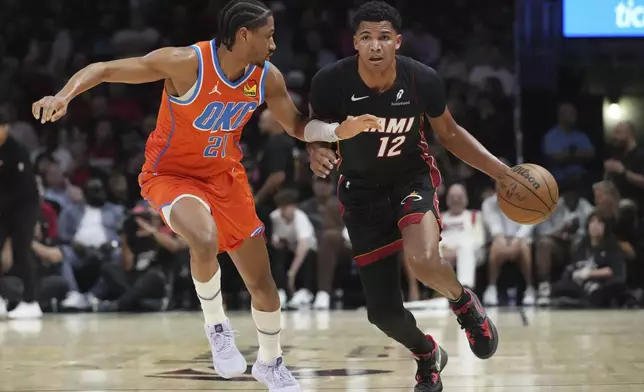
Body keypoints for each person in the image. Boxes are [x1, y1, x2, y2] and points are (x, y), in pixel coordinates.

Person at [31, 0, 379, 390]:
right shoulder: (187, 63)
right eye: (269, 36)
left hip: (225, 177)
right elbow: (105, 69)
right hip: (171, 175)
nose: (275, 44)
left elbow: (297, 125)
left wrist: (335, 134)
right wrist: (63, 96)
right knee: (203, 237)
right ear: (244, 35)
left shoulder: (267, 77)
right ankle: (217, 325)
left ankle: (270, 362)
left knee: (263, 286)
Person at [306, 2, 509, 390]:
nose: (375, 45)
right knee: (382, 313)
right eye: (366, 37)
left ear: (397, 42)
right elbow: (315, 129)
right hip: (361, 192)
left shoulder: (422, 80)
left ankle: (463, 304)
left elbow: (449, 135)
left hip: (409, 179)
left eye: (384, 37)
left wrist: (500, 172)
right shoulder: (331, 81)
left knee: (423, 260)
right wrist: (316, 150)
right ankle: (427, 354)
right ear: (355, 43)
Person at [0, 111, 43, 319]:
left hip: (23, 206)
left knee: (22, 250)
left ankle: (30, 301)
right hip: (2, 206)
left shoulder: (17, 150)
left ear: (5, 127)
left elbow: (22, 189)